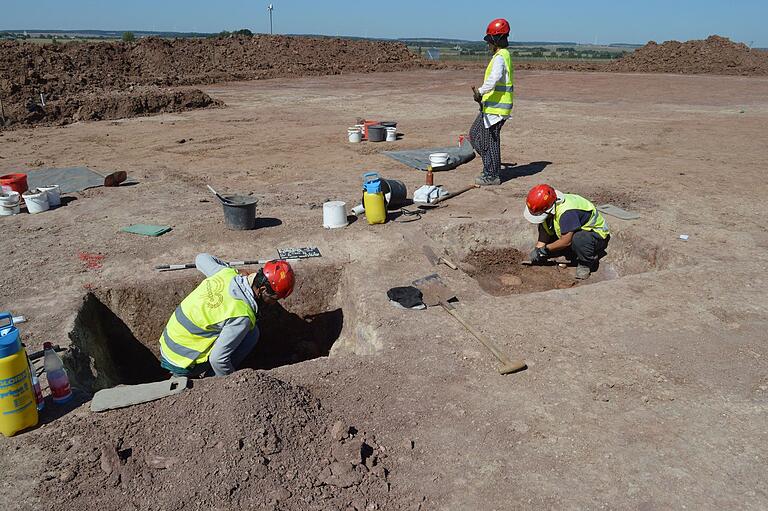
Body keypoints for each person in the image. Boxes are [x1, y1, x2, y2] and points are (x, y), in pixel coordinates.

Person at [158, 253, 295, 377]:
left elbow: (200, 258)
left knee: (252, 333)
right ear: (263, 289)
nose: (273, 303)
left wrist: (233, 270)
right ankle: (212, 380)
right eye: (275, 298)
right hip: (183, 363)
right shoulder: (241, 316)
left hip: (168, 343)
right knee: (250, 336)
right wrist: (232, 382)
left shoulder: (224, 273)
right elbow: (218, 360)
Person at [523, 184, 610, 280]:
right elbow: (544, 226)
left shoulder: (567, 212)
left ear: (548, 208)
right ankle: (570, 252)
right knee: (549, 231)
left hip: (594, 234)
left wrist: (545, 250)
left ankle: (586, 263)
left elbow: (566, 241)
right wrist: (539, 248)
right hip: (573, 227)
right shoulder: (551, 204)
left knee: (579, 239)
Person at [469, 18, 514, 186]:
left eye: (490, 41)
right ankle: (491, 165)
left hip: (496, 109)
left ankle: (492, 174)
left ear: (496, 40)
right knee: (474, 135)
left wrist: (480, 91)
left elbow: (494, 79)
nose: (488, 45)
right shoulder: (501, 56)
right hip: (490, 108)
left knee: (490, 142)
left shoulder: (500, 58)